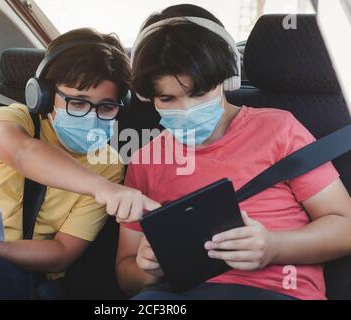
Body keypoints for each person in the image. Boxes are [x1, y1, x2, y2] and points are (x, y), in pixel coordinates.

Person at [116, 4, 351, 300]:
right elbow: (125, 276)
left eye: (199, 92)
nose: (186, 109)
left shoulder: (279, 129)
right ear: (146, 96)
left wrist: (273, 246)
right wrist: (148, 269)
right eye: (167, 98)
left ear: (227, 80)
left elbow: (346, 228)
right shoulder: (147, 159)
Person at [0, 28, 159, 299]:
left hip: (4, 266)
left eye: (106, 108)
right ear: (44, 95)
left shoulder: (107, 164)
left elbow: (62, 252)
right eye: (77, 103)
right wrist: (101, 188)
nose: (91, 116)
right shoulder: (10, 119)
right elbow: (23, 153)